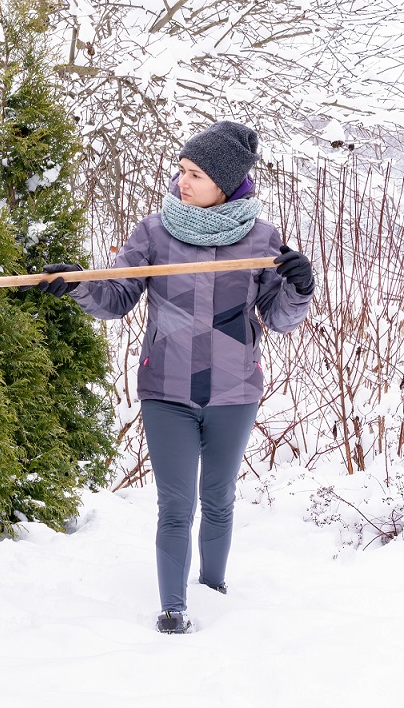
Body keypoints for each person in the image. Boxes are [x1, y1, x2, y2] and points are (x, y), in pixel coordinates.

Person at [35, 121, 314, 634]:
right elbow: (116, 298)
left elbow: (278, 318)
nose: (182, 182)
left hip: (234, 390)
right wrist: (79, 284)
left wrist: (298, 288)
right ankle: (174, 606)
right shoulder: (155, 232)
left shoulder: (262, 239)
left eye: (197, 174)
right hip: (166, 387)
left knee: (219, 497)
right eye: (182, 170)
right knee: (176, 503)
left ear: (225, 184)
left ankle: (214, 591)